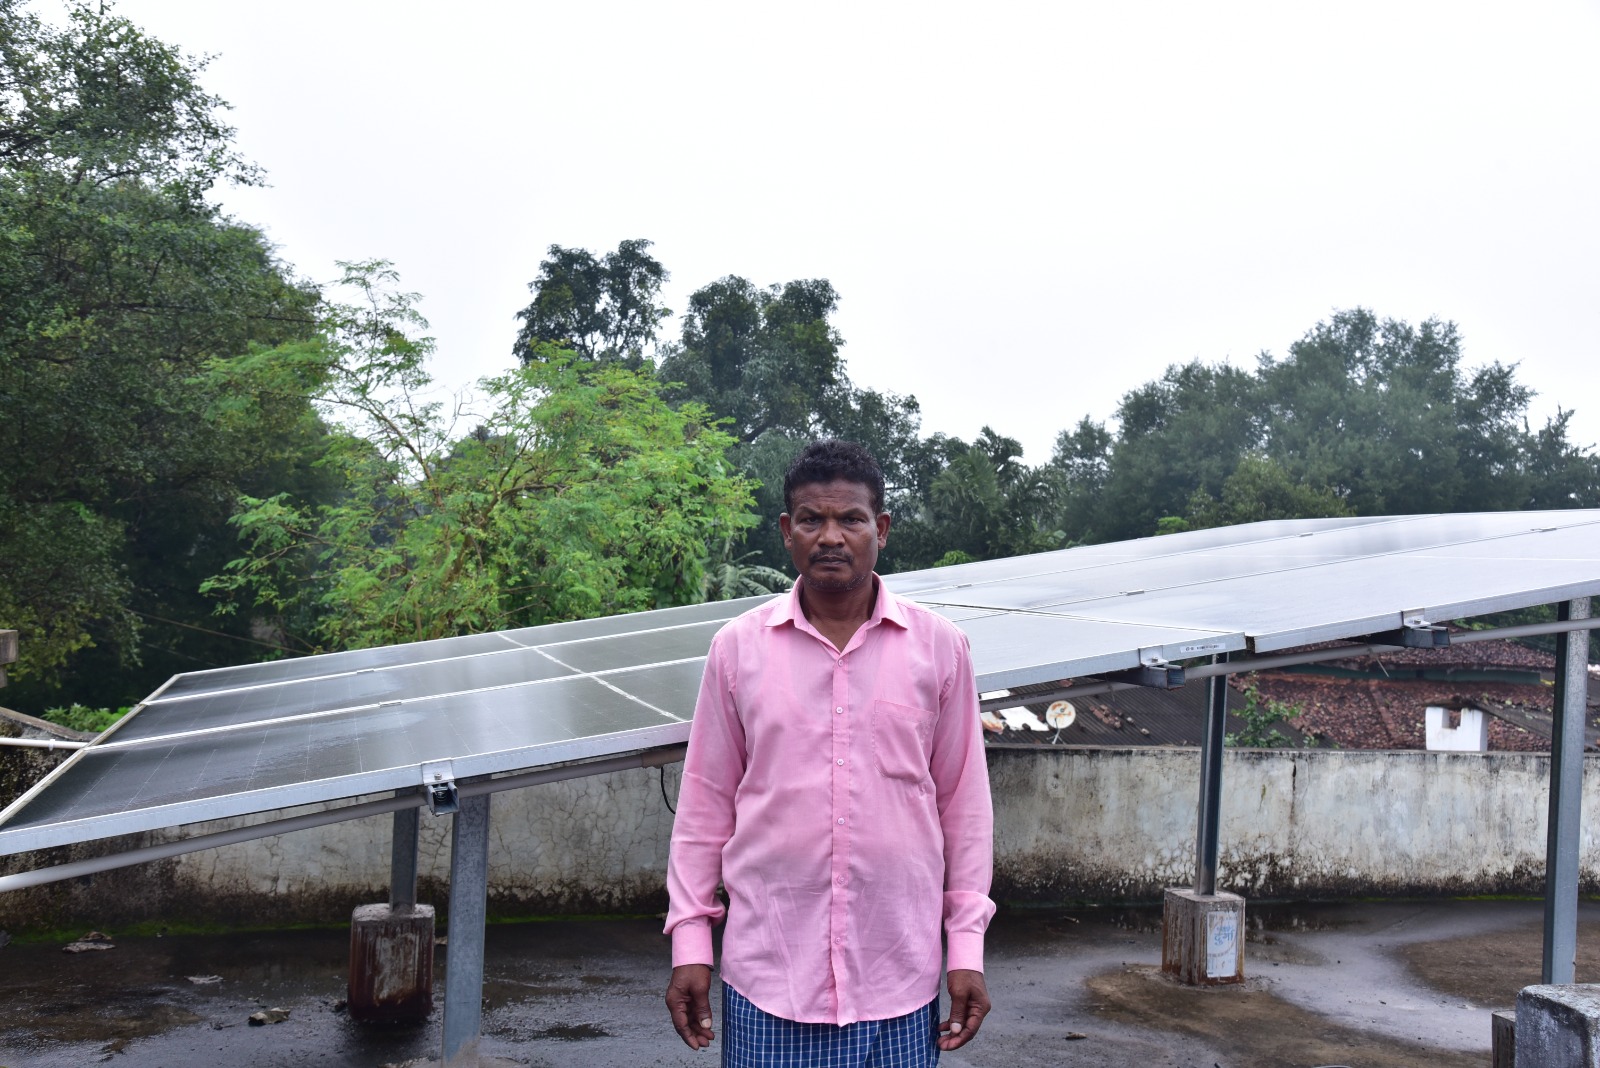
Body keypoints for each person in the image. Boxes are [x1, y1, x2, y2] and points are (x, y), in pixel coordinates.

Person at [663, 439, 995, 1066]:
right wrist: (691, 942)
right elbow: (705, 804)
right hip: (769, 982)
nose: (831, 537)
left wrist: (967, 948)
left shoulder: (941, 649)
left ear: (882, 529)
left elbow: (964, 808)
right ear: (787, 531)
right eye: (812, 519)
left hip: (899, 980)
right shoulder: (737, 650)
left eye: (851, 519)